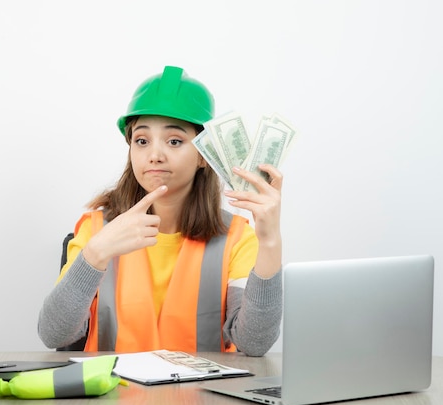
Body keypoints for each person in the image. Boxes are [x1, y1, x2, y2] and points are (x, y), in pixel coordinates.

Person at [38, 66, 282, 356]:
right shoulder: (95, 230)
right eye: (142, 141)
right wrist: (95, 253)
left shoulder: (237, 238)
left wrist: (269, 241)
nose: (154, 155)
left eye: (175, 141)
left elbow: (254, 343)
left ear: (205, 156)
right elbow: (53, 334)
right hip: (113, 396)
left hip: (205, 398)